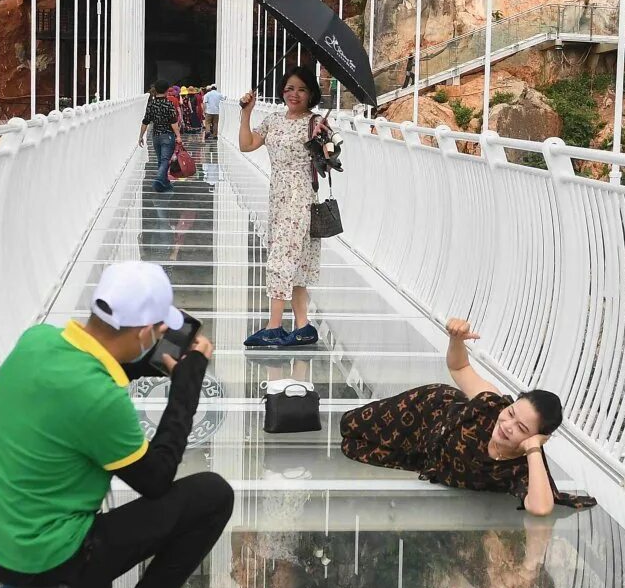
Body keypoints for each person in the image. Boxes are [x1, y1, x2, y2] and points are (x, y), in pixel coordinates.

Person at [0, 261, 233, 588]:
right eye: (161, 332)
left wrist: (155, 366)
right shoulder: (100, 400)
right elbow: (156, 479)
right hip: (53, 559)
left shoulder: (36, 341)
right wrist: (187, 384)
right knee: (212, 495)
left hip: (1, 552)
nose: (162, 338)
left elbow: (96, 364)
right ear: (144, 332)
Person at [339, 318, 595, 514]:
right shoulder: (491, 403)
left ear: (538, 438)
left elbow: (540, 508)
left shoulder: (520, 469)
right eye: (511, 413)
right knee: (349, 424)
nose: (507, 425)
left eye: (522, 429)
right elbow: (459, 366)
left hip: (424, 453)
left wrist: (533, 451)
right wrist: (456, 339)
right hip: (425, 409)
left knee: (353, 448)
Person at [238, 65, 325, 348]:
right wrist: (246, 112)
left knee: (281, 258)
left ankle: (274, 326)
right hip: (278, 196)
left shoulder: (315, 123)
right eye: (289, 88)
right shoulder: (274, 120)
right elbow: (247, 144)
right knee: (293, 260)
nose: (294, 94)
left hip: (300, 197)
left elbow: (331, 158)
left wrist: (324, 140)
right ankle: (303, 327)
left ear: (310, 93)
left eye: (301, 89)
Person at [139, 80, 182, 193]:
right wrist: (178, 135)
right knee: (165, 160)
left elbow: (145, 121)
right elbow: (173, 122)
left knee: (161, 160)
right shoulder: (168, 104)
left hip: (156, 136)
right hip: (167, 135)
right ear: (167, 90)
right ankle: (159, 179)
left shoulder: (151, 104)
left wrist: (141, 136)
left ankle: (164, 183)